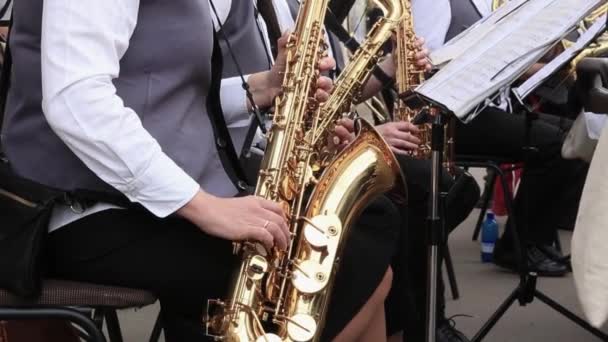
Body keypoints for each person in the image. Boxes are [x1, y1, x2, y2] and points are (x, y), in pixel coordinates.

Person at [1, 0, 404, 341]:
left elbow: (160, 96)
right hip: (76, 210)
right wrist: (205, 207)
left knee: (366, 226)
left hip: (148, 197)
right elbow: (75, 100)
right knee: (345, 263)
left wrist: (264, 86)